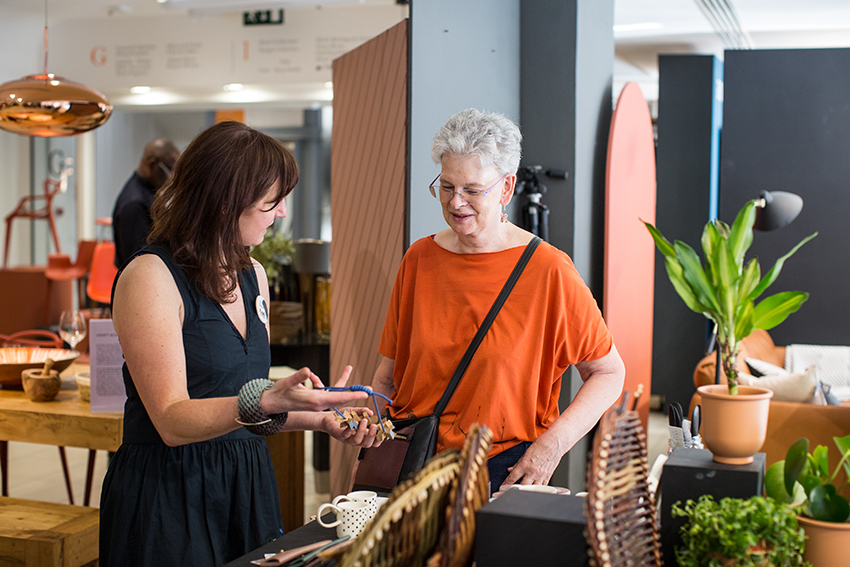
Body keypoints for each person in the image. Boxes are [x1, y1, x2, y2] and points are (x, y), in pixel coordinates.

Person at [99, 121, 383, 566]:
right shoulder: (149, 278)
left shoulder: (253, 275)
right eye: (273, 201)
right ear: (225, 202)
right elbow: (172, 420)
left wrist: (318, 418)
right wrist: (267, 398)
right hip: (170, 493)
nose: (282, 213)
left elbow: (248, 408)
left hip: (245, 483)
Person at [370, 108, 625, 492]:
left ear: (506, 188)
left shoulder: (549, 271)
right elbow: (388, 377)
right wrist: (371, 431)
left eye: (472, 190)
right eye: (447, 186)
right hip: (412, 461)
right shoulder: (419, 260)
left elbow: (608, 373)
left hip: (501, 470)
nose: (456, 203)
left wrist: (552, 446)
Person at [111, 138, 181, 267]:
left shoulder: (147, 193)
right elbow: (137, 260)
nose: (171, 177)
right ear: (153, 165)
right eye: (170, 169)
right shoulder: (134, 204)